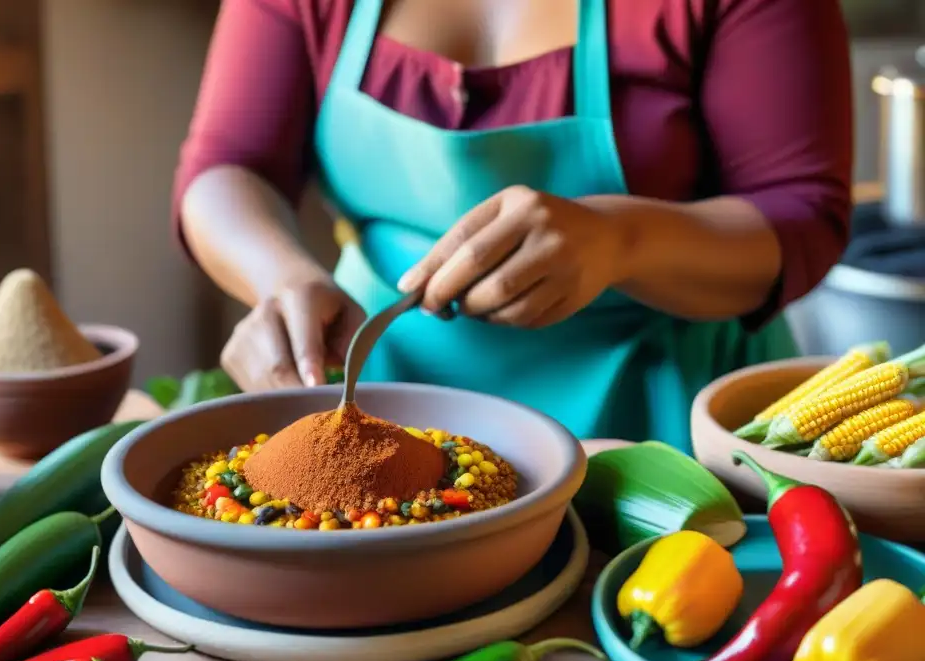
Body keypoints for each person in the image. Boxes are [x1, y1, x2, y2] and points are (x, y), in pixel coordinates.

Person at [173, 0, 852, 452]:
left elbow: (801, 213)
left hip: (661, 418)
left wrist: (621, 240)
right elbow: (231, 167)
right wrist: (279, 278)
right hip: (376, 388)